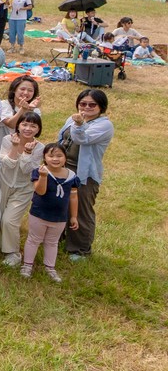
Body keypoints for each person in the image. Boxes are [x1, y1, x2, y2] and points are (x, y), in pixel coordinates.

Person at [57, 88, 113, 262]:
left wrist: (80, 124)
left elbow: (83, 139)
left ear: (101, 107)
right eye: (83, 103)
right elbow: (62, 139)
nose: (87, 107)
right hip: (63, 169)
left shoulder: (104, 125)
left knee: (80, 211)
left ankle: (80, 249)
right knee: (60, 205)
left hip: (84, 174)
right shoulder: (72, 118)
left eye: (92, 104)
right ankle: (59, 238)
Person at [21, 143, 79, 282]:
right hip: (39, 214)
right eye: (51, 156)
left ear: (65, 158)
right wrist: (43, 176)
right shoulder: (39, 171)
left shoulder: (72, 176)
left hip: (59, 217)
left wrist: (74, 217)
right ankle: (27, 266)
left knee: (52, 242)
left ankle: (50, 267)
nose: (55, 159)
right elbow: (40, 191)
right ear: (44, 158)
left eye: (59, 155)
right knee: (34, 239)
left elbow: (73, 196)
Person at [0, 112, 44, 268]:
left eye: (33, 126)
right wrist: (15, 147)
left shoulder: (40, 148)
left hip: (24, 188)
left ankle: (13, 253)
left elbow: (27, 169)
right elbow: (7, 164)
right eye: (24, 124)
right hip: (3, 183)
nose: (28, 128)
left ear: (38, 129)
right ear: (18, 125)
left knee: (9, 220)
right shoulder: (7, 140)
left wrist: (28, 152)